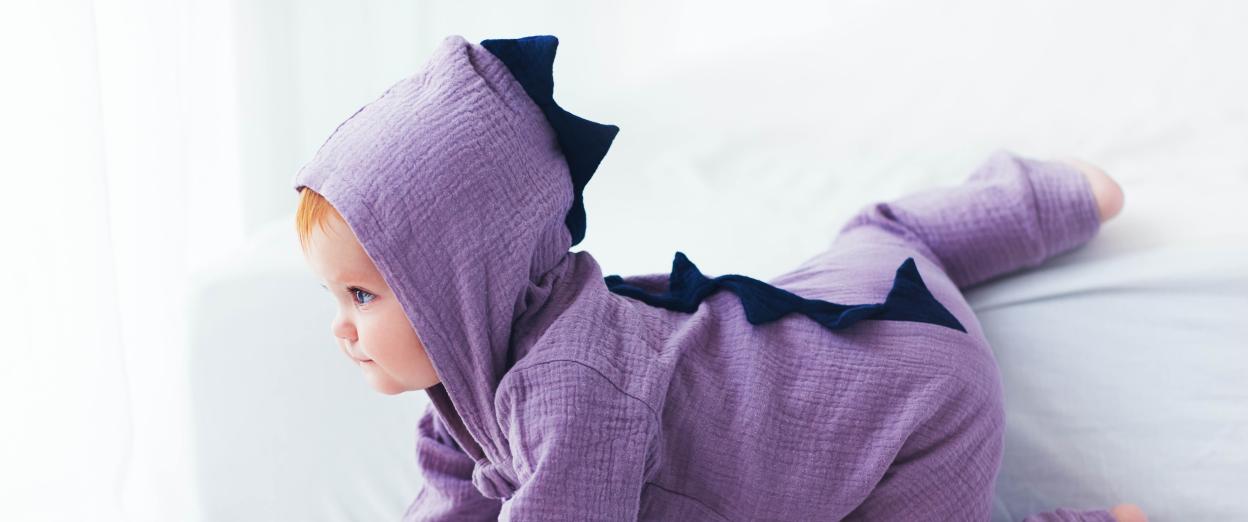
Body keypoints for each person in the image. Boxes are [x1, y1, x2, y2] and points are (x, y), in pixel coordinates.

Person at [294, 33, 1145, 521]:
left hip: (909, 410)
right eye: (336, 295)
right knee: (882, 235)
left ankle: (1055, 197)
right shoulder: (459, 401)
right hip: (843, 308)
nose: (339, 326)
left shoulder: (566, 392)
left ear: (460, 285)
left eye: (362, 295)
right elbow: (454, 502)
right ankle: (1060, 194)